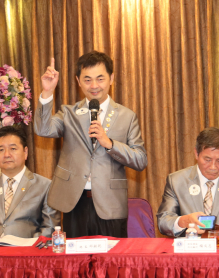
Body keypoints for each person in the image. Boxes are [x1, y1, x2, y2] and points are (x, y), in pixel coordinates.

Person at [35, 51, 148, 238]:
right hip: (74, 202)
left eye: (100, 79)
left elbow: (140, 159)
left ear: (111, 78)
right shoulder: (69, 113)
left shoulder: (127, 116)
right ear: (78, 81)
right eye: (87, 80)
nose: (94, 86)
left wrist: (109, 144)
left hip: (110, 204)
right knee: (75, 255)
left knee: (112, 256)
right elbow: (43, 129)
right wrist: (47, 92)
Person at [156, 128, 219, 241]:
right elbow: (163, 221)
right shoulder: (176, 181)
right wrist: (184, 221)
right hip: (190, 249)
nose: (213, 167)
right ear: (196, 153)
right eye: (207, 159)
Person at [0, 125, 59, 238]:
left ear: (25, 152)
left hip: (28, 248)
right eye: (1, 150)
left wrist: (30, 246)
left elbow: (50, 229)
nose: (6, 155)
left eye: (13, 149)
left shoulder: (45, 186)